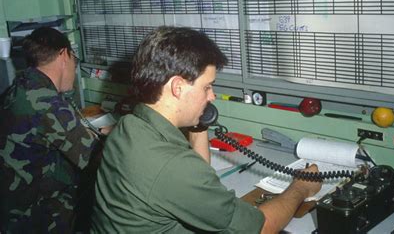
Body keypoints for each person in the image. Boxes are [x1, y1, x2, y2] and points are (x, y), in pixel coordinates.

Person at [91, 26, 322, 233]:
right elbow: (259, 227)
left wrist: (199, 122)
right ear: (178, 87)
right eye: (207, 87)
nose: (212, 96)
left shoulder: (129, 126)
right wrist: (300, 188)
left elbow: (196, 177)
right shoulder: (171, 165)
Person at [0, 27, 109, 233]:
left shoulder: (23, 85)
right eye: (74, 57)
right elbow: (96, 158)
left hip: (13, 201)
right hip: (33, 214)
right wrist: (117, 136)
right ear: (64, 54)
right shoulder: (46, 102)